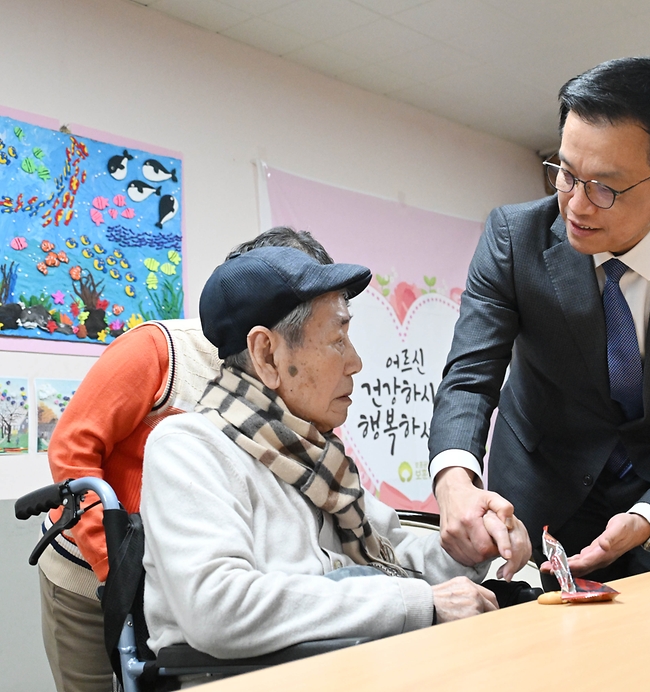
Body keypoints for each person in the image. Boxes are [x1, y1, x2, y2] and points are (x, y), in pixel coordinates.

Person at [429, 56, 650, 583]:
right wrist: (455, 479)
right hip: (541, 496)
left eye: (605, 187)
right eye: (566, 173)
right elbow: (470, 377)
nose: (576, 205)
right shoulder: (513, 238)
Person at [141, 247, 501, 659]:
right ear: (266, 353)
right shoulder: (189, 446)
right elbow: (217, 607)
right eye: (336, 340)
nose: (356, 362)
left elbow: (393, 557)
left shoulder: (315, 453)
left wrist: (468, 548)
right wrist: (415, 604)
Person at [38, 227, 333, 692]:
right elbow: (72, 448)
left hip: (182, 580)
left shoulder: (294, 373)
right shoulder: (159, 349)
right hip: (87, 567)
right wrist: (120, 574)